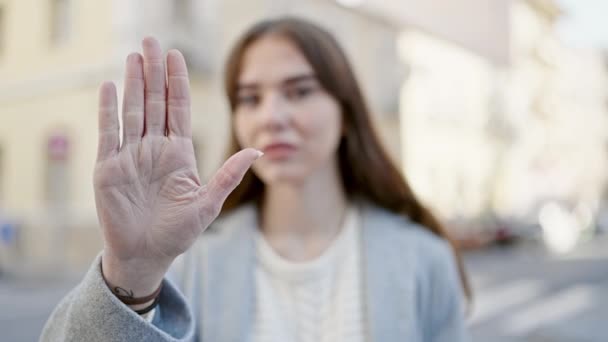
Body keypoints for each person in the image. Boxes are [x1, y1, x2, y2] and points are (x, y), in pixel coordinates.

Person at [41, 17, 471, 341]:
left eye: (299, 91)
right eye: (250, 98)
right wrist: (131, 272)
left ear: (346, 114)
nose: (271, 116)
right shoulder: (191, 262)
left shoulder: (424, 260)